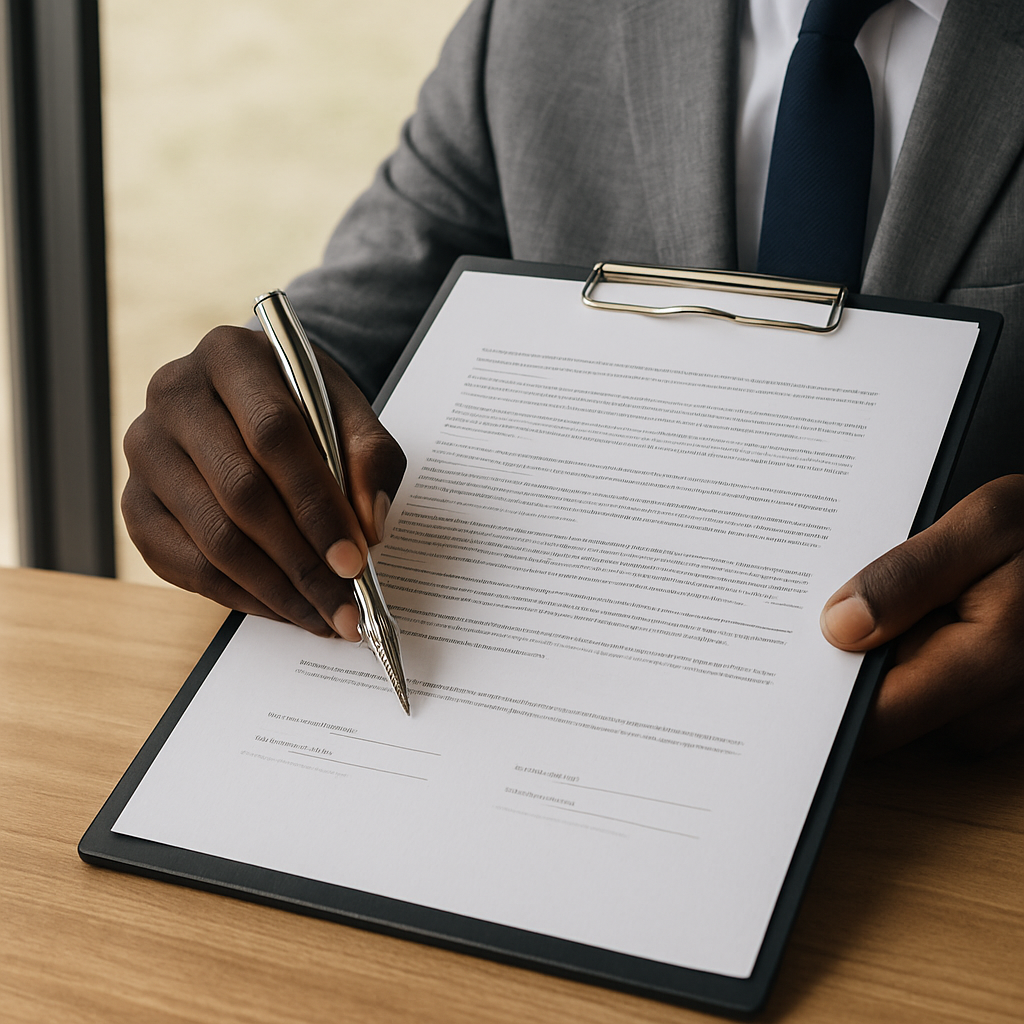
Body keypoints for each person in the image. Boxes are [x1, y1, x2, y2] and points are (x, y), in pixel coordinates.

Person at [121, 0, 1024, 755]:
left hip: (952, 801)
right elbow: (364, 315)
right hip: (551, 745)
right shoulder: (537, 19)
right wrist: (241, 424)